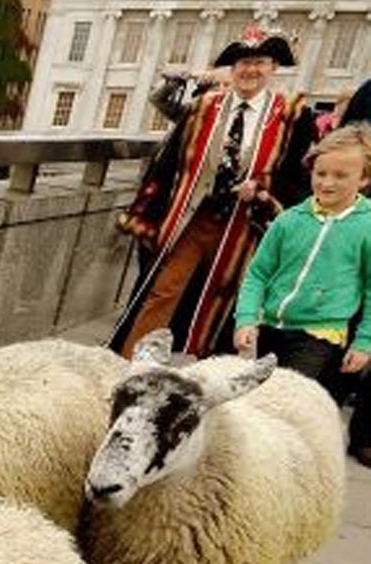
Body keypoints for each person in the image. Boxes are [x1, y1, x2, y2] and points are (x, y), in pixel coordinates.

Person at [111, 24, 317, 359]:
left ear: (273, 67)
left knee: (225, 299)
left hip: (244, 225)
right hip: (193, 217)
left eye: (260, 62)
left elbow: (297, 176)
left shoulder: (292, 115)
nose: (250, 70)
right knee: (164, 290)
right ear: (232, 69)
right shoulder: (203, 107)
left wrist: (265, 189)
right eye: (243, 63)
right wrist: (147, 213)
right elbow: (168, 163)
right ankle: (131, 362)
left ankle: (207, 373)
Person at [234, 124, 371, 464]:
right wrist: (246, 318)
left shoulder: (367, 227)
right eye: (321, 173)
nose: (327, 183)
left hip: (319, 334)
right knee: (255, 396)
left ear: (364, 179)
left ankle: (277, 467)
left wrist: (364, 341)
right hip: (269, 325)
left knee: (287, 400)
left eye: (341, 175)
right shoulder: (289, 220)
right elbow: (258, 273)